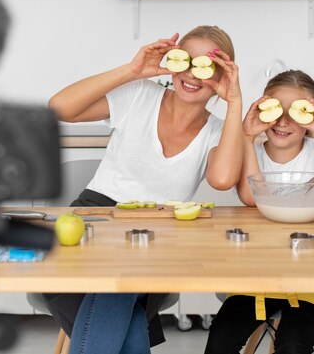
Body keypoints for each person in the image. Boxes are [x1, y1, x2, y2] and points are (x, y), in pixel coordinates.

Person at [46, 25, 244, 354]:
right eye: (186, 60)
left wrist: (235, 101)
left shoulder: (217, 131)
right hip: (93, 224)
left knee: (121, 284)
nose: (193, 73)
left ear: (223, 76)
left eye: (206, 66)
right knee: (125, 305)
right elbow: (59, 107)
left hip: (154, 243)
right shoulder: (140, 94)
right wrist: (132, 69)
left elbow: (222, 180)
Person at [204, 70, 314, 354]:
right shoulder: (252, 153)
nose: (283, 121)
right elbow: (250, 197)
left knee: (293, 342)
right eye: (274, 109)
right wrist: (246, 138)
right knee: (222, 336)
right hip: (261, 272)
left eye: (296, 112)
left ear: (311, 118)